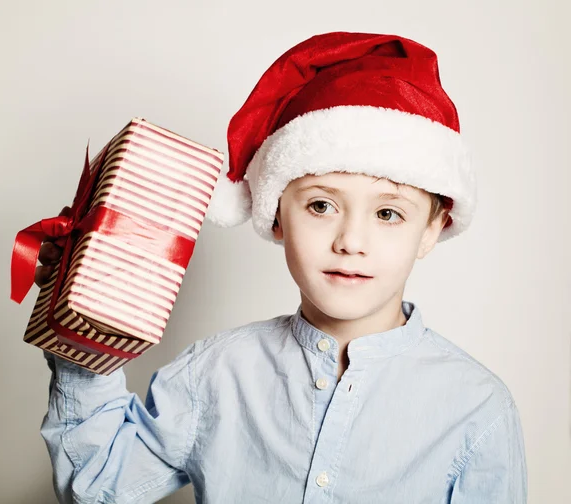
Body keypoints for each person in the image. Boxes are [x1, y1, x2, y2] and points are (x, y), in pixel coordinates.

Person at [36, 32, 528, 503]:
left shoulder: (477, 407)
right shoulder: (213, 374)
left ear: (430, 231)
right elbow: (98, 489)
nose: (351, 242)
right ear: (275, 216)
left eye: (387, 213)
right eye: (320, 206)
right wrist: (80, 323)